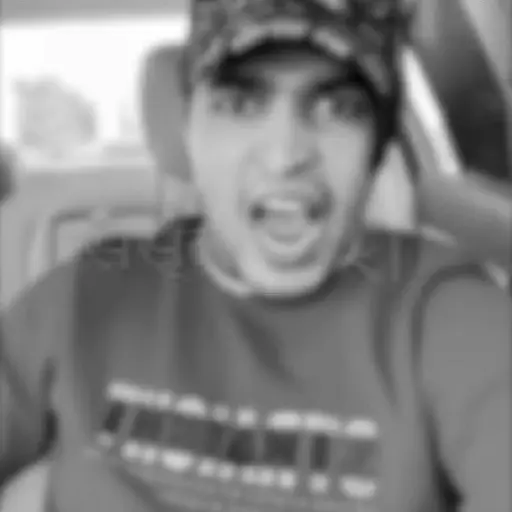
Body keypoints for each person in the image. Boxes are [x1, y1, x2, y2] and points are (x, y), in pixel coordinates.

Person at [0, 1, 510, 511]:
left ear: (376, 148)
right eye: (241, 104)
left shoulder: (446, 316)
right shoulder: (84, 299)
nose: (285, 156)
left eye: (338, 108)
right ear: (188, 128)